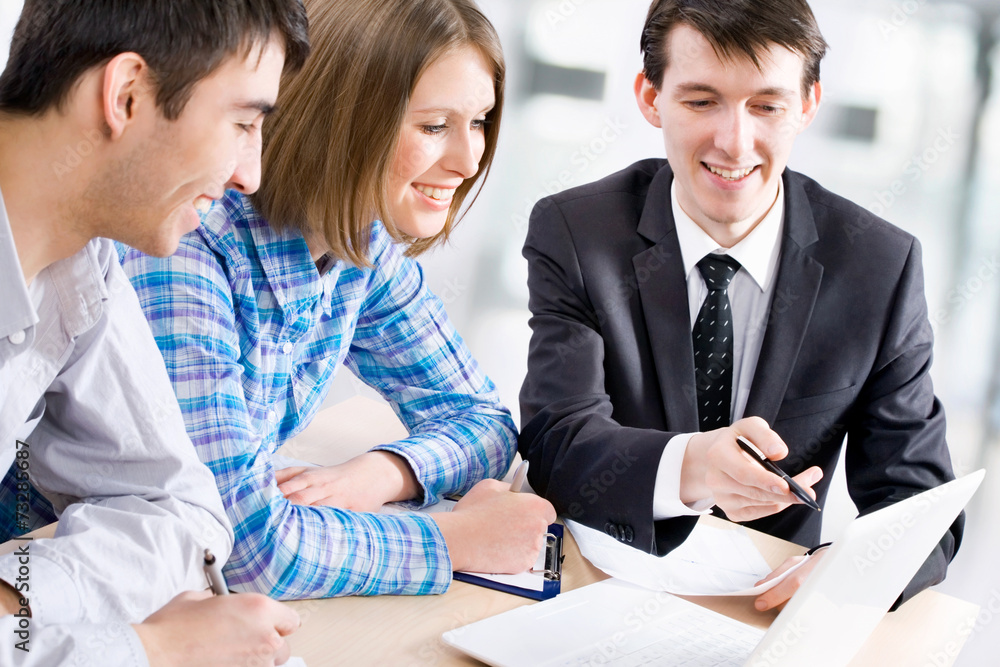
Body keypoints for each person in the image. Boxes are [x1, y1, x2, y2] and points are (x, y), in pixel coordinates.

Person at [519, 0, 962, 612]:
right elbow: (555, 443)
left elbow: (920, 505)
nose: (734, 143)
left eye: (767, 105)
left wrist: (852, 569)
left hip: (762, 605)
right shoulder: (577, 232)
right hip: (591, 580)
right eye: (701, 102)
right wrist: (691, 467)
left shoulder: (879, 267)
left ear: (807, 105)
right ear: (651, 98)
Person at [121, 0, 555, 600]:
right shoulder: (186, 246)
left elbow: (482, 421)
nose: (468, 159)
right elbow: (240, 550)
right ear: (337, 120)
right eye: (433, 126)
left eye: (479, 121)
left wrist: (382, 474)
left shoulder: (361, 242)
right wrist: (458, 541)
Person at [0, 0, 310, 665]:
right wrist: (150, 649)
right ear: (128, 94)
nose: (248, 174)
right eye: (243, 123)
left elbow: (182, 510)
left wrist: (15, 597)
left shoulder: (83, 264)